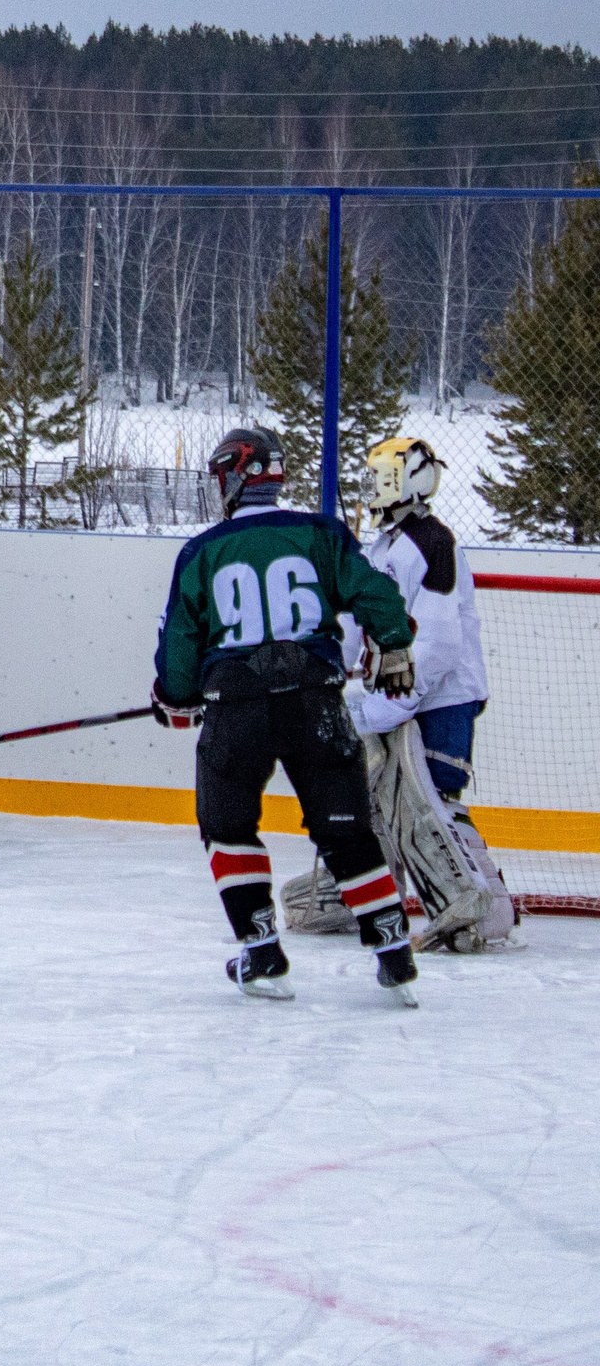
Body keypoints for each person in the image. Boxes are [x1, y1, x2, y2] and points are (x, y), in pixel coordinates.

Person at [150, 428, 421, 1004]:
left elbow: (180, 642)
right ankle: (393, 951)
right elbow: (375, 594)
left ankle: (263, 954)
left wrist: (174, 695)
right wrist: (393, 643)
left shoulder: (202, 550)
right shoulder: (321, 532)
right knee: (345, 828)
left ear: (233, 474)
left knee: (227, 827)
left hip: (237, 705)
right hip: (315, 699)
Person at [286, 435, 514, 952]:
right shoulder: (382, 545)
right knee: (378, 801)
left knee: (435, 798)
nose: (370, 486)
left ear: (405, 479)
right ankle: (363, 893)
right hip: (398, 695)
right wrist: (321, 668)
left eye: (380, 475)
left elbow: (439, 644)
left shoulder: (432, 543)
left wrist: (393, 702)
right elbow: (354, 624)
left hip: (441, 697)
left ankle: (488, 910)